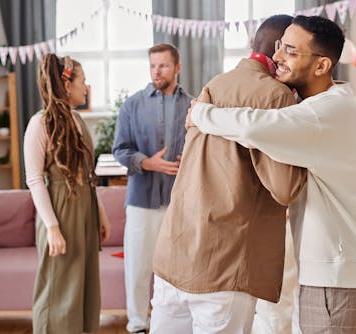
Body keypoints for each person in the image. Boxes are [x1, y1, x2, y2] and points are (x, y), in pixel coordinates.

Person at [189, 15, 356, 333]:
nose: (276, 57)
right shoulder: (328, 105)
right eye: (280, 46)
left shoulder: (328, 112)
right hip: (334, 271)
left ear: (321, 66)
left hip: (337, 274)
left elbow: (256, 125)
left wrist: (200, 112)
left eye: (290, 51)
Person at [150, 15, 307, 334]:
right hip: (223, 260)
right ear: (280, 50)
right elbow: (285, 188)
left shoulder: (214, 84)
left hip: (174, 252)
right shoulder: (276, 96)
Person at [24, 53, 111, 333]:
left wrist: (100, 212)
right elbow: (35, 179)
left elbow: (86, 174)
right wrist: (52, 227)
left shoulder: (77, 119)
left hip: (84, 207)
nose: (86, 87)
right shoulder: (39, 124)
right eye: (83, 81)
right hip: (59, 211)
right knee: (57, 286)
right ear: (66, 84)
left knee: (83, 285)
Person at [112, 43, 192, 334]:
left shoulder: (193, 106)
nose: (157, 71)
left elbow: (203, 151)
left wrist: (191, 161)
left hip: (179, 203)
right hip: (142, 201)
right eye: (152, 66)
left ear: (177, 68)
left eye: (163, 65)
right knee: (137, 268)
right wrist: (148, 163)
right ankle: (137, 325)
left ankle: (172, 325)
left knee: (177, 269)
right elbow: (120, 149)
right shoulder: (132, 105)